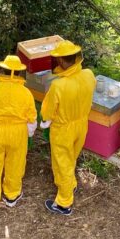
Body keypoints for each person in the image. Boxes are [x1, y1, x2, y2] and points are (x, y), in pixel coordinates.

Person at [40, 40, 96, 215]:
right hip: (81, 125)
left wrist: (45, 122)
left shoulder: (59, 85)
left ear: (63, 61)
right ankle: (70, 185)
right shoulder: (88, 74)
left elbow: (48, 111)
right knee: (71, 157)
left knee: (62, 163)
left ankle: (64, 203)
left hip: (63, 129)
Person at [0, 55, 37, 215]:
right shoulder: (26, 93)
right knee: (16, 164)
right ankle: (12, 195)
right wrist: (29, 134)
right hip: (18, 133)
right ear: (19, 73)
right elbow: (32, 118)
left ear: (3, 70)